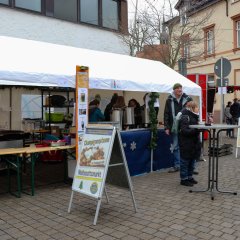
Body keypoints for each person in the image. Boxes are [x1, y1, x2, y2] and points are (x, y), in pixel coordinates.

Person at [164, 83, 191, 173]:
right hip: (175, 127)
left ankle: (187, 165)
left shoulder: (187, 99)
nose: (180, 89)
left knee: (186, 146)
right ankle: (177, 165)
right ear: (174, 90)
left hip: (185, 126)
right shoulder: (169, 100)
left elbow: (192, 111)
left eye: (181, 88)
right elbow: (166, 114)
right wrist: (166, 127)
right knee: (176, 146)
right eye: (178, 88)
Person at [178, 101, 201, 187]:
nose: (198, 109)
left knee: (192, 161)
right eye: (196, 107)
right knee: (185, 162)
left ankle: (190, 177)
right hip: (186, 143)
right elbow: (184, 131)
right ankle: (184, 179)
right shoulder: (185, 117)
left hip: (193, 143)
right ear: (192, 108)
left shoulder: (194, 116)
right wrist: (195, 130)